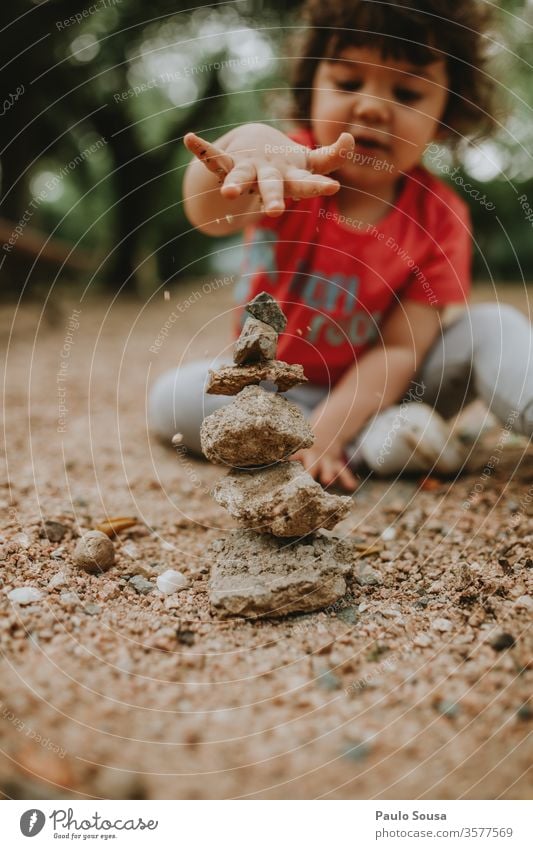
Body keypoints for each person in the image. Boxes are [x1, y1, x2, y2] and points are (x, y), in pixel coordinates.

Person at [149, 0, 533, 492]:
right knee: (172, 399)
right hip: (272, 390)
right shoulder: (280, 169)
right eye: (348, 84)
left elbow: (399, 347)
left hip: (392, 386)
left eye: (407, 92)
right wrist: (249, 147)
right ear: (310, 90)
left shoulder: (441, 215)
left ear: (445, 117)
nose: (371, 107)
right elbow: (207, 214)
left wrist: (332, 426)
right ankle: (372, 446)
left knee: (494, 325)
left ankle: (362, 435)